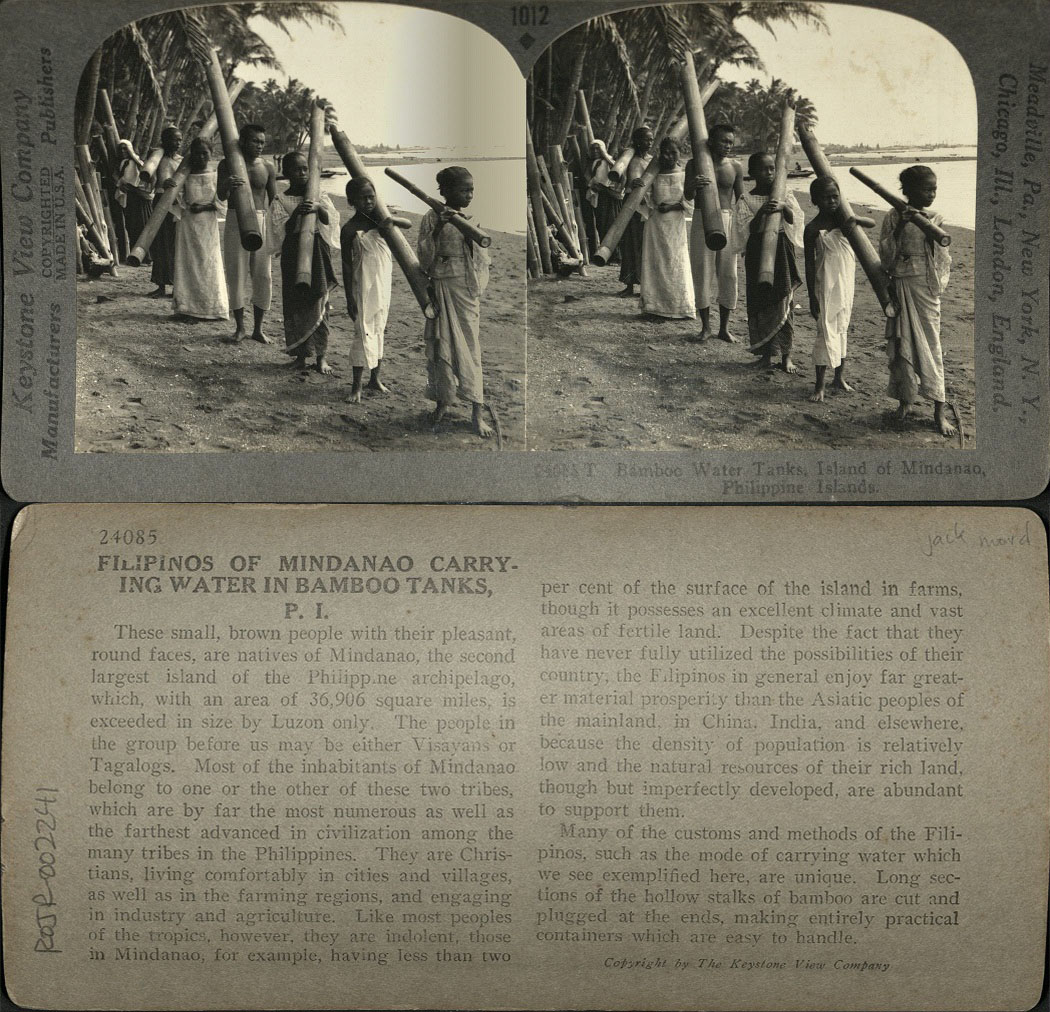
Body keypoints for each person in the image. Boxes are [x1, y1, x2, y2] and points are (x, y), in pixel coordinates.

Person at [879, 165, 954, 436]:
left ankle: (939, 412)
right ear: (908, 191)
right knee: (902, 346)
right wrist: (902, 221)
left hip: (925, 286)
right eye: (926, 189)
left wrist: (923, 221)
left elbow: (942, 255)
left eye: (935, 189)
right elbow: (886, 254)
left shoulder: (936, 217)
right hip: (901, 282)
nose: (932, 194)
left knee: (931, 346)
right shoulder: (892, 215)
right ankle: (905, 401)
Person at [417, 166, 492, 438]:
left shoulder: (474, 218)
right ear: (446, 192)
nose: (469, 194)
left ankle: (477, 413)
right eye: (463, 190)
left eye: (472, 189)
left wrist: (461, 223)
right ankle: (442, 402)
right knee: (441, 346)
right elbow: (424, 254)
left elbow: (482, 256)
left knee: (470, 348)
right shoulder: (430, 216)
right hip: (441, 283)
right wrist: (440, 224)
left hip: (465, 286)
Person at [267, 150, 340, 374]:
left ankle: (321, 357)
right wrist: (297, 213)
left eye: (305, 169)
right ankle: (300, 356)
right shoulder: (280, 199)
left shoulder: (319, 194)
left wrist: (319, 208)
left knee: (319, 302)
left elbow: (331, 220)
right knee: (295, 303)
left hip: (317, 252)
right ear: (286, 172)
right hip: (293, 255)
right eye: (296, 169)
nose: (302, 173)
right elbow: (280, 232)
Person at [732, 151, 803, 373]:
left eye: (772, 168)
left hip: (781, 251)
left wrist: (784, 207)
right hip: (757, 254)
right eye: (764, 169)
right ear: (752, 173)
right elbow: (744, 230)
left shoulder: (785, 194)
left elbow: (796, 219)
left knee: (784, 300)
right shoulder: (746, 199)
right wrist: (762, 212)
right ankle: (765, 356)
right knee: (760, 302)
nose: (769, 173)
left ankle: (786, 356)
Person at [341, 176, 408, 403]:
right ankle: (356, 386)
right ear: (352, 201)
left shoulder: (382, 222)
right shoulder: (350, 229)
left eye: (372, 196)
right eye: (363, 198)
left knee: (379, 327)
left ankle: (374, 379)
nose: (369, 201)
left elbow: (407, 223)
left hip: (382, 283)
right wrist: (349, 296)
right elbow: (347, 264)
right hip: (362, 285)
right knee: (363, 331)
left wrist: (390, 221)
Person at [685, 122, 744, 342]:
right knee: (702, 273)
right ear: (711, 141)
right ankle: (705, 327)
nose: (727, 146)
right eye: (723, 141)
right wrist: (694, 184)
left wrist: (744, 230)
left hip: (727, 219)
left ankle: (724, 328)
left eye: (731, 142)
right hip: (702, 219)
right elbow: (687, 196)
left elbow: (741, 200)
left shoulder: (735, 167)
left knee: (729, 274)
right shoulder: (695, 164)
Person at [218, 123, 276, 343]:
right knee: (236, 274)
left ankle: (258, 329)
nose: (259, 146)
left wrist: (275, 231)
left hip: (261, 219)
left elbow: (274, 201)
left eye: (262, 142)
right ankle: (240, 327)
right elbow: (220, 196)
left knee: (263, 276)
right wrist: (227, 184)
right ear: (242, 141)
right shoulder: (228, 165)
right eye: (255, 141)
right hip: (235, 219)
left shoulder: (268, 167)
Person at [171, 138, 228, 322]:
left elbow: (221, 203)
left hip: (208, 224)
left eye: (205, 153)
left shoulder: (216, 175)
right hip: (188, 224)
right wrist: (169, 186)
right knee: (188, 263)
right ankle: (188, 308)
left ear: (211, 154)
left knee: (209, 263)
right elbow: (178, 199)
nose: (201, 157)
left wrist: (204, 208)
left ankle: (212, 308)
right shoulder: (184, 175)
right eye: (197, 153)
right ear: (191, 155)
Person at [639, 137, 695, 320]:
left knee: (676, 262)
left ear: (680, 153)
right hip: (655, 224)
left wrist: (672, 207)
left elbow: (689, 202)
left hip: (675, 224)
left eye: (673, 152)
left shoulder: (685, 174)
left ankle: (679, 308)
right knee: (656, 263)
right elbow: (645, 198)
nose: (669, 156)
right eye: (665, 152)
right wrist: (637, 186)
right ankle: (654, 307)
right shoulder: (653, 174)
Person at [617, 126, 653, 297]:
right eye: (646, 139)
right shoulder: (628, 159)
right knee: (630, 245)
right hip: (631, 205)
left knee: (646, 245)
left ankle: (647, 286)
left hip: (648, 206)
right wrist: (631, 185)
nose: (649, 142)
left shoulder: (653, 161)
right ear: (637, 141)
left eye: (651, 139)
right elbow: (621, 183)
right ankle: (629, 284)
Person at [148, 126, 182, 297]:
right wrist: (162, 184)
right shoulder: (156, 159)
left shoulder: (182, 161)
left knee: (175, 245)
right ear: (165, 140)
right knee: (160, 245)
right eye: (175, 139)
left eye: (180, 140)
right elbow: (148, 180)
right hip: (160, 202)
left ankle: (177, 286)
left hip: (176, 205)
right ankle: (160, 285)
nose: (178, 143)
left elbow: (185, 182)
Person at [584, 138, 620, 258]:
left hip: (608, 196)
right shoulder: (591, 163)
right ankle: (605, 254)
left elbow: (617, 170)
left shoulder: (607, 161)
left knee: (610, 223)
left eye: (597, 149)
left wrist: (605, 156)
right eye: (593, 149)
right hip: (598, 195)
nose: (595, 151)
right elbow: (588, 178)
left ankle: (614, 254)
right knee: (601, 224)